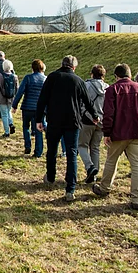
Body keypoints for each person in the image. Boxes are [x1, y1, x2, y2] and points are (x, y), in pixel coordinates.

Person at [92, 64, 138, 211]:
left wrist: (107, 132)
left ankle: (105, 187)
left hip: (118, 132)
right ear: (130, 75)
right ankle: (136, 198)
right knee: (136, 164)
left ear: (116, 76)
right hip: (137, 132)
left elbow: (108, 113)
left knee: (111, 160)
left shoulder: (113, 89)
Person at [36, 55, 98, 202]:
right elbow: (88, 102)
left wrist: (39, 119)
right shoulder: (78, 81)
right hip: (73, 122)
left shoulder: (52, 77)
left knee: (51, 150)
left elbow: (42, 99)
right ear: (74, 67)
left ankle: (50, 176)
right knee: (71, 154)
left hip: (54, 120)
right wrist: (95, 116)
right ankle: (70, 188)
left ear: (62, 64)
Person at [78, 65, 109, 183]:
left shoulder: (86, 85)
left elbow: (81, 101)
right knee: (95, 147)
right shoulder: (107, 88)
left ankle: (89, 167)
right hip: (101, 121)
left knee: (82, 145)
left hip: (87, 119)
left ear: (92, 74)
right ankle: (94, 174)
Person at [12, 59, 46, 157]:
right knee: (39, 129)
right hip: (40, 109)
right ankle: (38, 152)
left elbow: (20, 92)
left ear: (32, 68)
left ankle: (28, 145)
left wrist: (15, 105)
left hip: (27, 107)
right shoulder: (45, 79)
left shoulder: (28, 78)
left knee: (26, 126)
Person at [0, 60, 19, 137]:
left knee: (4, 114)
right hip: (11, 98)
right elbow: (17, 88)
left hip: (1, 98)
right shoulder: (15, 76)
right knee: (8, 111)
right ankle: (11, 123)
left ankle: (6, 132)